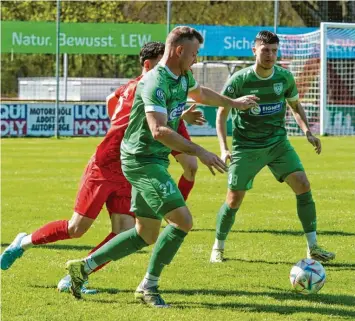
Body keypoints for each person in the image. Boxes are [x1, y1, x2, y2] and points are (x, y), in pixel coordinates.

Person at [65, 26, 259, 307]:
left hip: (153, 159)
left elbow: (200, 93)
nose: (196, 59)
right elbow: (158, 130)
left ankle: (82, 268)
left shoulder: (182, 75)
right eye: (193, 54)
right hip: (141, 160)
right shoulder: (155, 81)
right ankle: (149, 286)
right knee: (183, 221)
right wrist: (201, 151)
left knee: (146, 233)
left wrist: (233, 103)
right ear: (179, 51)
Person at [0, 42, 203, 292]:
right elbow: (133, 108)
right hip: (105, 167)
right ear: (148, 66)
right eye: (163, 62)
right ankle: (24, 242)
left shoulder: (166, 88)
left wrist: (179, 116)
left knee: (124, 231)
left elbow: (122, 103)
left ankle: (78, 276)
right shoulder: (140, 86)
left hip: (133, 170)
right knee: (76, 229)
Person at [209, 30, 335, 264]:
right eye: (265, 50)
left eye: (274, 51)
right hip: (246, 147)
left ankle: (313, 247)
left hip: (278, 144)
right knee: (234, 199)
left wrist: (308, 131)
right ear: (254, 50)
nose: (270, 55)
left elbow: (295, 106)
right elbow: (221, 114)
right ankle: (218, 247)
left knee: (303, 185)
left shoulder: (284, 78)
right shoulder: (240, 80)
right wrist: (224, 148)